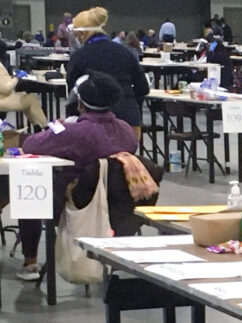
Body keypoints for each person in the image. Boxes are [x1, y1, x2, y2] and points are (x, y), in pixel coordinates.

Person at [16, 71, 139, 281]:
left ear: (80, 102)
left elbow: (31, 144)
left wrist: (59, 128)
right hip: (118, 202)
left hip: (78, 200)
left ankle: (31, 261)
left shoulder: (74, 132)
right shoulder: (126, 130)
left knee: (29, 189)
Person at [68, 7, 149, 138]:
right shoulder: (125, 52)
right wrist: (129, 100)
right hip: (129, 118)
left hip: (94, 123)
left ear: (82, 34)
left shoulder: (79, 57)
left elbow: (73, 91)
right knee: (129, 157)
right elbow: (143, 88)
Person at [0, 63, 48, 128]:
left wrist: (12, 77)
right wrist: (17, 77)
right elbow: (6, 88)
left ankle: (37, 126)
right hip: (3, 100)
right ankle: (47, 127)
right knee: (32, 99)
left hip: (4, 97)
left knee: (25, 98)